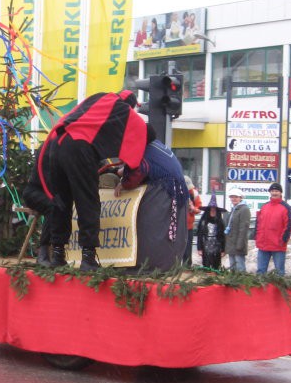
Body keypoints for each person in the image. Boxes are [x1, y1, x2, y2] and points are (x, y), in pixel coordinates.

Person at [38, 90, 149, 270]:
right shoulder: (125, 111)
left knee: (61, 202)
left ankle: (58, 254)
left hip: (56, 143)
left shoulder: (97, 98)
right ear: (131, 105)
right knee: (87, 201)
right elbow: (137, 144)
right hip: (79, 146)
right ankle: (88, 257)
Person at [114, 126, 188, 271]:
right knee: (170, 233)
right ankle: (168, 266)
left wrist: (123, 184)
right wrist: (123, 170)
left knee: (149, 228)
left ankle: (147, 266)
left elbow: (139, 171)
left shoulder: (142, 150)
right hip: (177, 191)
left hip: (163, 192)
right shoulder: (156, 146)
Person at [22, 142, 55, 266]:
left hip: (50, 193)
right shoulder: (48, 148)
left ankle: (60, 252)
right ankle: (43, 250)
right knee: (53, 207)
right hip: (35, 192)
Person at [255, 182, 291, 275]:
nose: (274, 193)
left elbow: (288, 226)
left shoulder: (285, 207)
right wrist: (257, 237)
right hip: (263, 245)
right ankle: (261, 289)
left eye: (276, 191)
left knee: (279, 272)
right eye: (272, 191)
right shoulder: (264, 206)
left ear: (280, 193)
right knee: (260, 272)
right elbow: (258, 224)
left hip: (278, 245)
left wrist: (283, 240)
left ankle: (279, 289)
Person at [196, 192, 226, 270]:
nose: (212, 211)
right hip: (205, 246)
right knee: (206, 267)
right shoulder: (203, 222)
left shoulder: (220, 222)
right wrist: (199, 248)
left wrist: (223, 250)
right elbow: (199, 235)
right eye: (211, 209)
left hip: (217, 247)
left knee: (216, 267)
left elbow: (223, 236)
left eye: (214, 210)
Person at [224, 187, 251, 272]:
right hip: (231, 243)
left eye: (236, 197)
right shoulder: (233, 209)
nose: (234, 199)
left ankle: (241, 284)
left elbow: (243, 228)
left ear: (240, 198)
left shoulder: (244, 209)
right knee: (232, 266)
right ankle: (233, 283)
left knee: (239, 265)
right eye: (232, 197)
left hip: (238, 243)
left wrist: (240, 244)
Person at [183, 175, 202, 266]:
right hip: (177, 227)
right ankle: (175, 267)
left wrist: (193, 209)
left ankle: (187, 267)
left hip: (188, 226)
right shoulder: (173, 191)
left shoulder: (194, 193)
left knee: (187, 248)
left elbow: (199, 208)